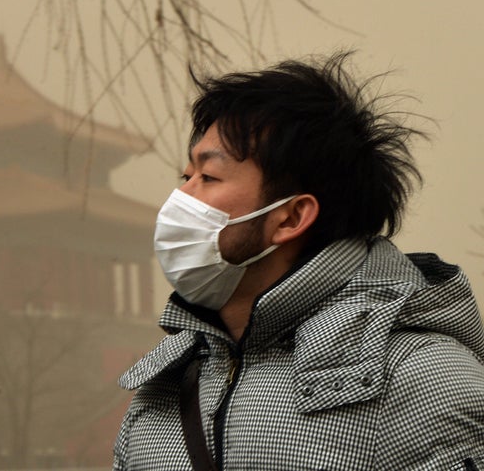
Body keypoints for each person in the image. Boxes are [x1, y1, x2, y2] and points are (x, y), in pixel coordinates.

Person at [113, 52, 484, 470]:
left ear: (290, 217)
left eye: (209, 177)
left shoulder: (419, 378)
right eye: (186, 177)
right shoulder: (162, 393)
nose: (181, 199)